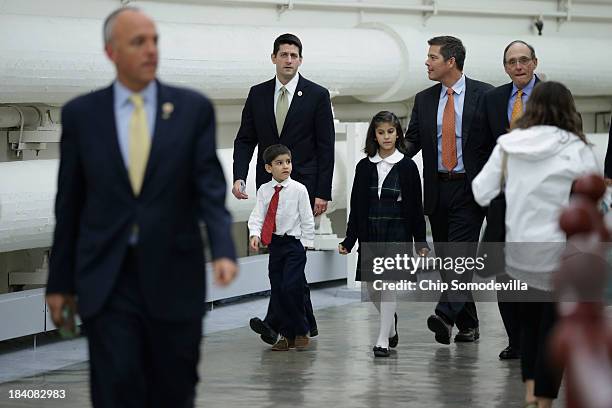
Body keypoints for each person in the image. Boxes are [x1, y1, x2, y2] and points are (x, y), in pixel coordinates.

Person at [45, 7, 237, 407]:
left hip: (174, 276)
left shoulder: (191, 110)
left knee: (174, 389)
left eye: (154, 40)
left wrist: (222, 248)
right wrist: (60, 283)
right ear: (111, 52)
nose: (151, 50)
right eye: (138, 42)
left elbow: (208, 188)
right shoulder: (82, 116)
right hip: (108, 279)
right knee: (116, 388)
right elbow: (70, 204)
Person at [472, 81, 600, 408]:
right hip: (561, 252)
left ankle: (530, 392)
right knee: (551, 327)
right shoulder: (577, 147)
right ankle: (545, 398)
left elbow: (481, 190)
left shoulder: (510, 144)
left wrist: (512, 194)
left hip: (518, 252)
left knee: (527, 327)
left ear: (533, 107)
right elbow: (592, 200)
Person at [233, 33, 335, 344]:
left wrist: (323, 192)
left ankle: (275, 324)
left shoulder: (317, 95)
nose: (289, 60)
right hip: (270, 190)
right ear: (274, 58)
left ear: (300, 60)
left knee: (289, 263)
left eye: (294, 55)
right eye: (284, 54)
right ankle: (304, 326)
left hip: (303, 191)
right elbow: (245, 139)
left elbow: (325, 146)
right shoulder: (258, 94)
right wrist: (240, 176)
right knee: (286, 264)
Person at [404, 36, 493, 344]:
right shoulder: (424, 99)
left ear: (451, 62)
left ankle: (444, 315)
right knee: (447, 260)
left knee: (459, 256)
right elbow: (412, 142)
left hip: (470, 189)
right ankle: (469, 324)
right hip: (437, 189)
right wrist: (386, 151)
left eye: (432, 57)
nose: (427, 62)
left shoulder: (486, 95)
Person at [467, 40, 541, 360]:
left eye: (524, 60)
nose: (519, 66)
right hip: (502, 202)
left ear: (534, 63)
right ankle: (516, 341)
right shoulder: (494, 98)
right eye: (512, 62)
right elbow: (478, 147)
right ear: (506, 67)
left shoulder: (553, 96)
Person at [339, 111, 429, 357]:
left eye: (391, 131)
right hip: (370, 230)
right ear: (374, 136)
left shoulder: (408, 166)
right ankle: (390, 326)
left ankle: (381, 340)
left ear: (398, 133)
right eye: (381, 132)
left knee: (387, 284)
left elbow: (415, 207)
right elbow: (357, 206)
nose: (386, 137)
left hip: (397, 229)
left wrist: (420, 242)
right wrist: (349, 239)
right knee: (372, 287)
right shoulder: (364, 166)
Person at [248, 144, 315, 351]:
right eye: (279, 163)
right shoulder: (264, 191)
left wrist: (306, 244)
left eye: (288, 162)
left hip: (294, 246)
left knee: (290, 287)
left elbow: (307, 219)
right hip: (275, 246)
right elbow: (258, 215)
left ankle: (301, 330)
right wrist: (255, 234)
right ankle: (286, 337)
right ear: (269, 168)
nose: (285, 166)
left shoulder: (299, 189)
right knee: (278, 289)